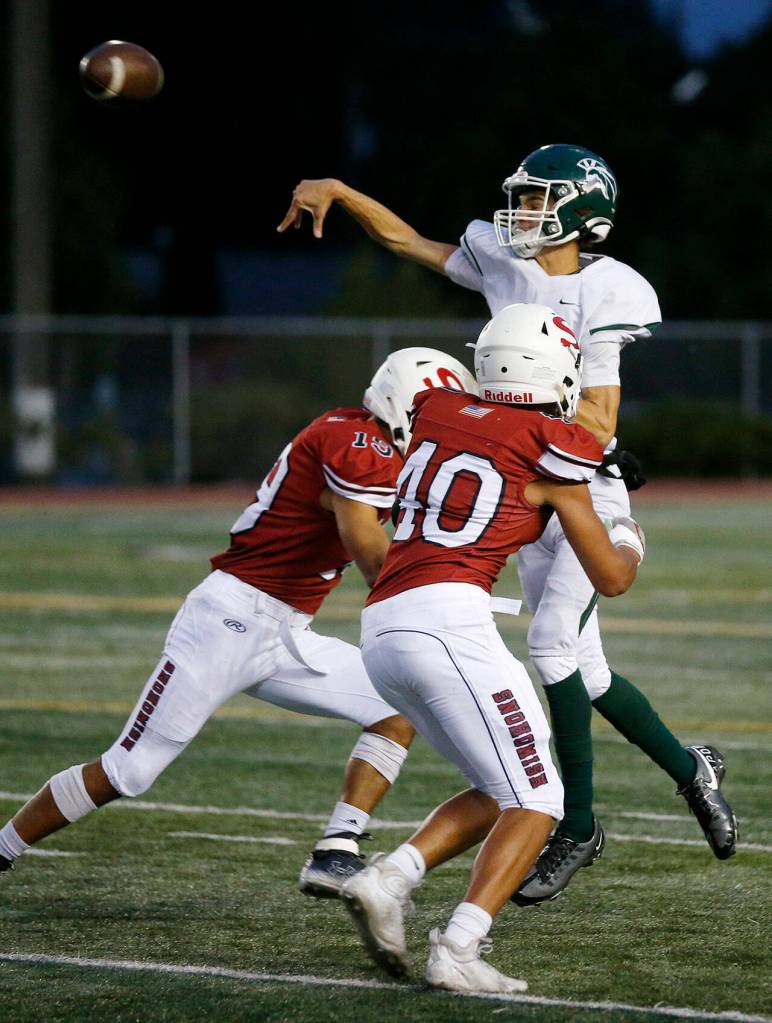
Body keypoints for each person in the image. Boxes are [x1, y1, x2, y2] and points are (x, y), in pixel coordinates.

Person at [278, 145, 737, 906]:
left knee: (551, 644)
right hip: (519, 481)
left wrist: (512, 427)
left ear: (582, 211)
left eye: (537, 198)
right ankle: (694, 771)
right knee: (586, 670)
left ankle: (577, 826)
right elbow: (408, 242)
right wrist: (343, 191)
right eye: (521, 197)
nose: (520, 211)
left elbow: (598, 421)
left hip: (579, 484)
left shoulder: (609, 286)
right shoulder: (501, 260)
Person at [0, 347, 477, 903]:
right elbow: (371, 552)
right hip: (228, 620)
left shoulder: (374, 445)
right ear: (405, 406)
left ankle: (336, 849)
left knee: (394, 709)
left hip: (285, 632)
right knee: (129, 770)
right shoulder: (356, 442)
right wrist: (431, 602)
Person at [340, 303, 644, 992]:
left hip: (381, 623)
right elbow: (611, 578)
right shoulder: (554, 445)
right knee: (541, 798)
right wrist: (628, 536)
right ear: (557, 370)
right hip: (449, 623)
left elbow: (487, 447)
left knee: (496, 787)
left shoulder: (438, 410)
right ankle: (458, 947)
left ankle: (391, 878)